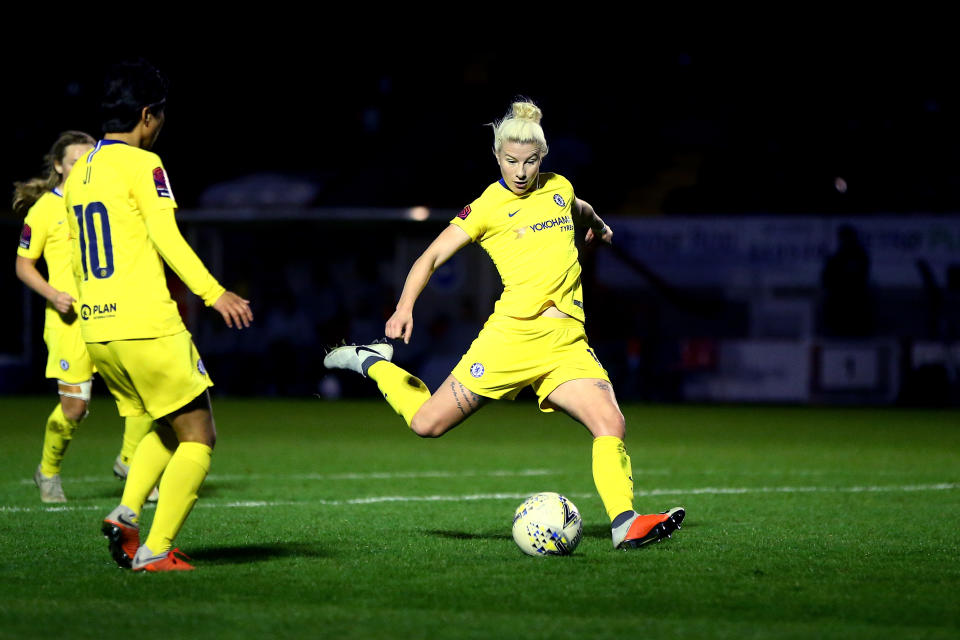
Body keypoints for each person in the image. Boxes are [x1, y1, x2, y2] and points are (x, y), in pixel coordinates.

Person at [324, 101, 684, 549]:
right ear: (497, 157)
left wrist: (599, 226)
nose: (520, 170)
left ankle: (624, 523)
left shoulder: (558, 187)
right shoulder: (486, 207)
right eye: (511, 161)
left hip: (566, 344)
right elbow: (431, 256)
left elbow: (579, 207)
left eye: (530, 161)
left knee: (610, 423)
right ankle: (373, 362)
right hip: (510, 340)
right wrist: (404, 307)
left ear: (542, 159)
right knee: (426, 424)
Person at [64, 59, 253, 571]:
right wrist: (215, 293)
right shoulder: (143, 164)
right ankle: (157, 549)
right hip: (145, 323)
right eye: (160, 115)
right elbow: (166, 236)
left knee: (165, 424)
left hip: (98, 329)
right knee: (199, 435)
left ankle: (127, 513)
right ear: (147, 115)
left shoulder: (80, 171)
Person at [14, 131, 156, 503]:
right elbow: (23, 265)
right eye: (75, 160)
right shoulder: (45, 208)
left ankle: (129, 461)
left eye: (88, 159)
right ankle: (47, 472)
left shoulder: (108, 199)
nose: (83, 166)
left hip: (112, 313)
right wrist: (53, 294)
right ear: (59, 166)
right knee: (74, 409)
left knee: (146, 391)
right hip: (69, 323)